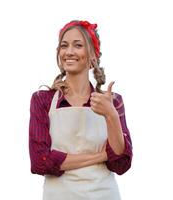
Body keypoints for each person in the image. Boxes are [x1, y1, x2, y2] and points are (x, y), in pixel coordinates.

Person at [29, 20, 132, 200]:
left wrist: (111, 115)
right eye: (64, 45)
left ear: (93, 56)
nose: (69, 52)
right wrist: (101, 155)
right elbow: (40, 162)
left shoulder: (112, 102)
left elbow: (121, 163)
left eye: (78, 45)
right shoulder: (42, 100)